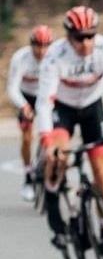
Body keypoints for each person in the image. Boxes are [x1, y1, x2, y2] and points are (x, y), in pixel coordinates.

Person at [36, 7, 103, 249]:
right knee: (58, 156)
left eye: (90, 36)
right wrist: (47, 141)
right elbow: (44, 102)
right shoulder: (55, 55)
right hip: (63, 109)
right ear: (68, 36)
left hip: (93, 107)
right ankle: (54, 211)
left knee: (101, 170)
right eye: (79, 38)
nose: (86, 43)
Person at [8, 25, 53, 201]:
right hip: (26, 97)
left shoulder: (54, 57)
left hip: (46, 95)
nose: (41, 51)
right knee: (27, 137)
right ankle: (28, 175)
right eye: (37, 46)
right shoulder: (21, 58)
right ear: (31, 45)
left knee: (50, 133)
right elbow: (12, 88)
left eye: (45, 46)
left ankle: (47, 166)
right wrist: (24, 106)